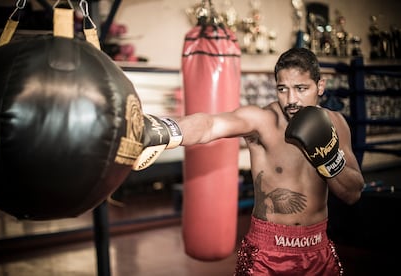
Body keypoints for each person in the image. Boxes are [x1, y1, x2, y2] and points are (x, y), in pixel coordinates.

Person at [134, 47, 365, 275]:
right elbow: (210, 125)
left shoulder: (336, 124)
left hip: (318, 250)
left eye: (301, 88)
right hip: (268, 254)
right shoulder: (263, 121)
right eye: (282, 89)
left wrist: (329, 157)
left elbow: (353, 193)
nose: (291, 100)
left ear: (320, 86)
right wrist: (163, 130)